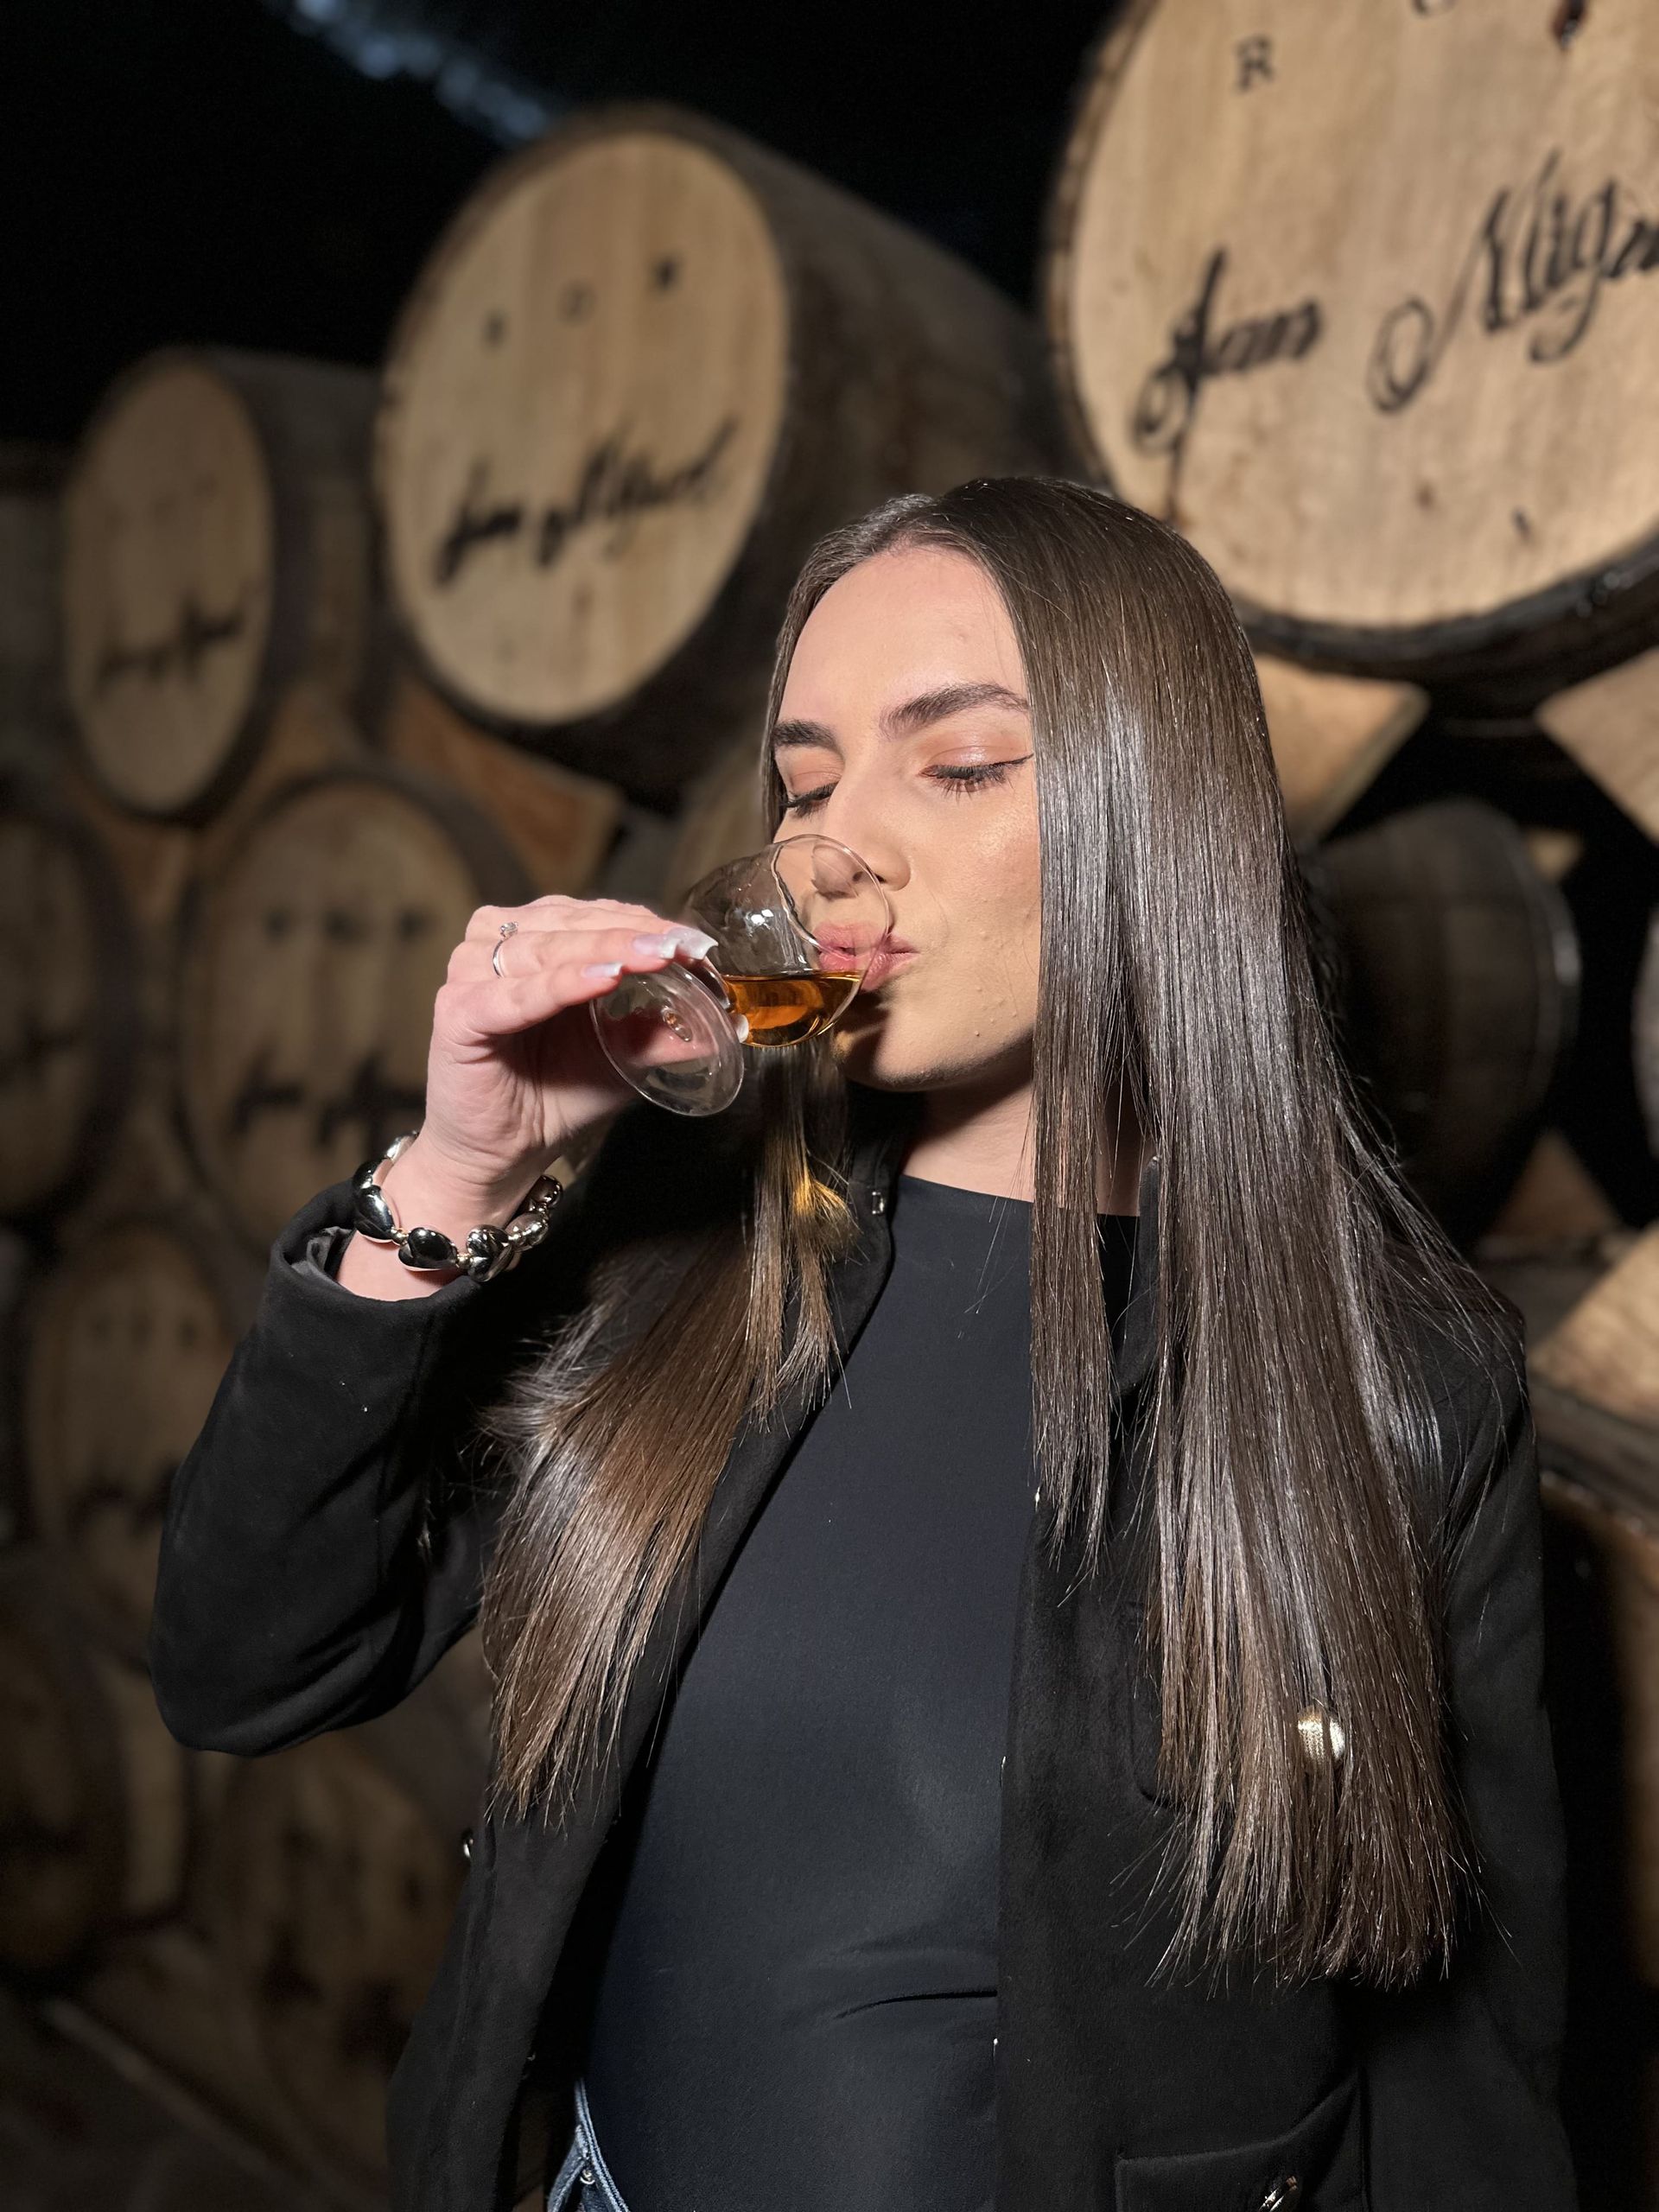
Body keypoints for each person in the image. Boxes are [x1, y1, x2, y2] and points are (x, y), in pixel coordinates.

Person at [149, 477, 1576, 2212]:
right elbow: (248, 1658)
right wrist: (457, 1175)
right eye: (808, 781)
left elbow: (1463, 2081)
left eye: (960, 763)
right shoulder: (679, 1257)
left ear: (1162, 804)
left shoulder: (1396, 1385)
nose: (846, 848)